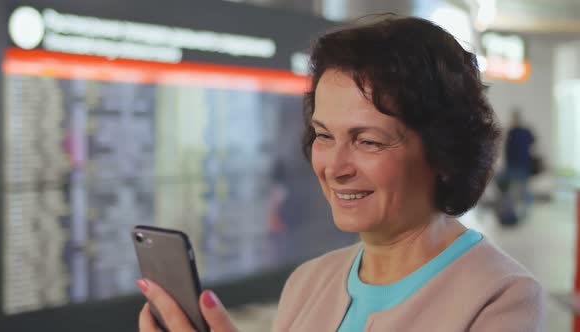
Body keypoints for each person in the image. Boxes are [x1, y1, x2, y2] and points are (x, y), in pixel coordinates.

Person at [137, 14, 544, 331]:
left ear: (442, 151)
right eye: (324, 136)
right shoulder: (308, 283)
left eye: (367, 141)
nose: (335, 167)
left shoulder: (501, 297)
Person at [498, 109, 536, 221]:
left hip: (519, 165)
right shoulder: (520, 132)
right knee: (520, 189)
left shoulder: (513, 132)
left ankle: (523, 211)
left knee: (520, 189)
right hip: (519, 165)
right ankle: (521, 211)